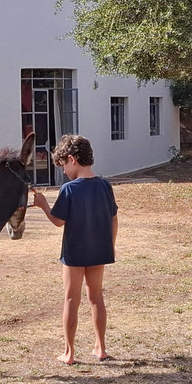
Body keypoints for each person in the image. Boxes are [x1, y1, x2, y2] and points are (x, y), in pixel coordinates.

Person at [32, 134, 118, 364]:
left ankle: (69, 353)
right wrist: (110, 244)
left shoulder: (69, 189)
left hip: (74, 252)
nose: (64, 172)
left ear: (72, 159)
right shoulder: (105, 185)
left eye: (63, 166)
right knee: (96, 298)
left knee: (72, 299)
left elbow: (59, 221)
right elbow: (113, 218)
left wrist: (43, 205)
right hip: (100, 250)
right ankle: (101, 348)